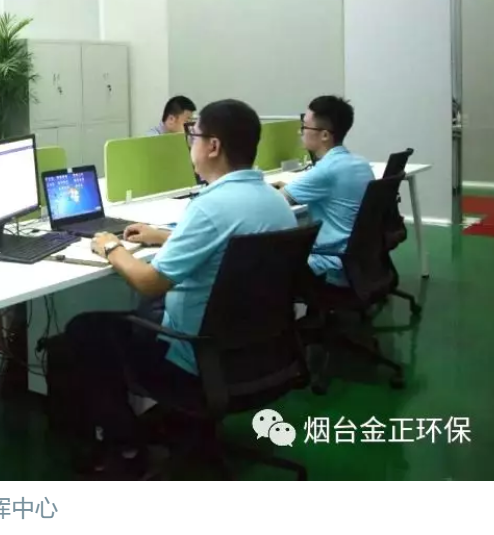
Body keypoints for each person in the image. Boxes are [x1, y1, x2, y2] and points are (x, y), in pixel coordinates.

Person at [64, 99, 297, 477]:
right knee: (133, 318)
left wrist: (110, 246)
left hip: (196, 359)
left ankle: (125, 446)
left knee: (84, 332)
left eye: (194, 136)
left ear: (213, 146)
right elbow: (224, 242)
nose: (190, 144)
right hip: (261, 352)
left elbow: (148, 282)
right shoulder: (275, 202)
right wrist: (163, 236)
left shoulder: (209, 206)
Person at [275, 95, 374, 287]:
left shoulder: (326, 170)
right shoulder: (361, 163)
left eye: (305, 127)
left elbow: (277, 201)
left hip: (332, 263)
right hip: (360, 260)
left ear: (325, 135)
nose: (300, 132)